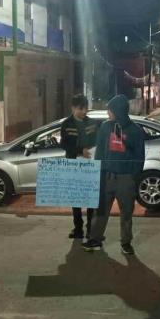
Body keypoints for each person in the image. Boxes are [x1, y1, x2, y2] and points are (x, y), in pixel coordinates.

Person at [83, 94, 145, 255]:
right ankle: (95, 239)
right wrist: (98, 172)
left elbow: (140, 156)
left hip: (126, 178)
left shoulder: (136, 131)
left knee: (126, 213)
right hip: (107, 175)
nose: (108, 113)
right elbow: (100, 152)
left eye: (110, 110)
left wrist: (134, 177)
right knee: (100, 210)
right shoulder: (105, 127)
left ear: (118, 111)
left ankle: (126, 242)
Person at [60, 94, 99, 239]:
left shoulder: (92, 123)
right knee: (75, 198)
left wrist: (92, 151)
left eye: (85, 108)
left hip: (90, 165)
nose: (83, 111)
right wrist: (79, 150)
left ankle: (90, 228)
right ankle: (78, 228)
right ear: (73, 108)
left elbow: (97, 140)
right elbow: (64, 144)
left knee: (90, 198)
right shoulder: (66, 124)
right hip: (73, 164)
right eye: (80, 108)